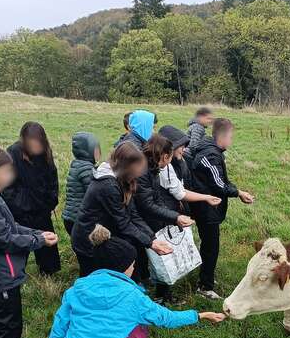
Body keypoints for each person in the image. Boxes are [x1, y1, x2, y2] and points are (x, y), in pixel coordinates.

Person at [38, 225, 224, 338]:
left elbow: (56, 336)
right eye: (132, 264)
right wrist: (200, 315)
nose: (134, 268)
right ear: (124, 266)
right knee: (140, 330)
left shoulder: (75, 290)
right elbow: (167, 318)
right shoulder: (134, 297)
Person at [0, 146, 58, 338]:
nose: (9, 176)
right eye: (5, 171)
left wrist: (37, 233)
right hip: (3, 277)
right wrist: (38, 240)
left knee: (11, 322)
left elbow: (10, 226)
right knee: (7, 325)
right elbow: (5, 239)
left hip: (6, 274)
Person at [135, 135, 221, 301]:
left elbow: (156, 199)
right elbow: (147, 205)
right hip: (137, 219)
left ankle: (161, 295)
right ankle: (152, 298)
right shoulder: (144, 171)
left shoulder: (151, 168)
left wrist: (173, 216)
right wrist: (175, 217)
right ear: (166, 156)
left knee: (154, 253)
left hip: (145, 217)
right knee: (143, 256)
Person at [71, 141, 171, 278]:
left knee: (110, 272)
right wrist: (150, 243)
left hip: (102, 234)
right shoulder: (108, 185)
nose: (138, 174)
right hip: (88, 238)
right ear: (126, 167)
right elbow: (124, 223)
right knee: (92, 277)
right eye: (136, 170)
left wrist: (152, 237)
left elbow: (133, 215)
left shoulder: (123, 179)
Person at [191, 118, 254, 299]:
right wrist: (239, 193)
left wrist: (237, 190)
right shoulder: (211, 155)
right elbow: (220, 185)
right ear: (223, 136)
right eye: (231, 137)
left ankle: (206, 276)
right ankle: (205, 287)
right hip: (206, 208)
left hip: (208, 205)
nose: (231, 141)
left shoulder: (213, 151)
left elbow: (221, 180)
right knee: (211, 247)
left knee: (209, 245)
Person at [3, 122, 60, 275]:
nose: (36, 147)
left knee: (46, 243)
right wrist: (24, 204)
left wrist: (51, 199)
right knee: (20, 244)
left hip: (42, 209)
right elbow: (7, 188)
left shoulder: (45, 153)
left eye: (38, 143)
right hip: (22, 212)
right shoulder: (13, 153)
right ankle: (14, 273)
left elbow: (52, 178)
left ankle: (48, 271)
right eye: (32, 143)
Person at [62, 132, 101, 236]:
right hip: (79, 220)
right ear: (87, 150)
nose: (98, 153)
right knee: (87, 250)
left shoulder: (78, 163)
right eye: (95, 149)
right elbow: (94, 194)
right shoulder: (86, 168)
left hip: (71, 217)